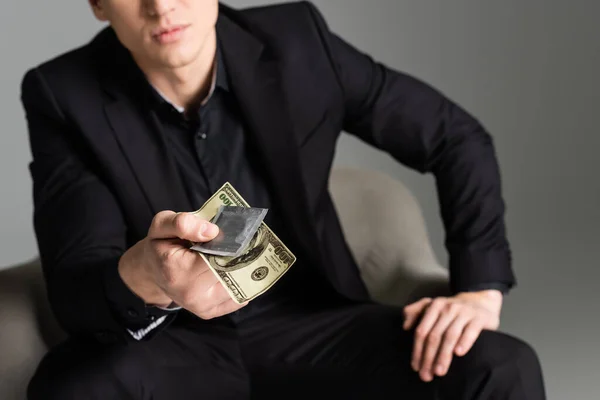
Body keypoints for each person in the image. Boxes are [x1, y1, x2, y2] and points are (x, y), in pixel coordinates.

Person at [21, 1, 545, 399]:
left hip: (313, 320)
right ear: (96, 4)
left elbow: (454, 137)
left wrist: (481, 287)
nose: (161, 5)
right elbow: (77, 282)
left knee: (500, 366)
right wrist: (150, 275)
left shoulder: (297, 41)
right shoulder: (63, 94)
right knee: (73, 388)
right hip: (173, 342)